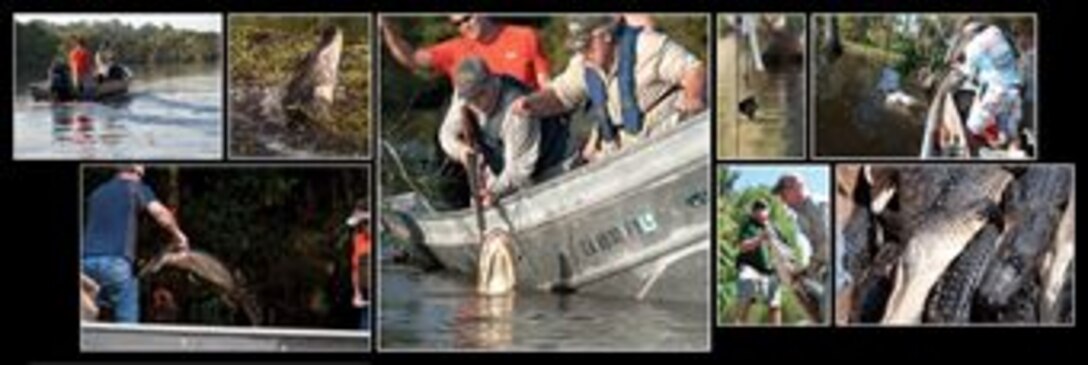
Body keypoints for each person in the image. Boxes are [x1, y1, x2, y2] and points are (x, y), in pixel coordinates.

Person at [513, 16, 706, 162]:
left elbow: (693, 70)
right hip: (622, 153)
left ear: (606, 35)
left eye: (587, 45)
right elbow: (560, 95)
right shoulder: (582, 65)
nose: (583, 53)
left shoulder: (648, 45)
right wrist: (531, 104)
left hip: (666, 137)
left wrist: (693, 98)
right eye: (578, 47)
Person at [441, 57, 571, 206]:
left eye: (481, 95)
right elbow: (446, 133)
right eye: (470, 99)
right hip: (507, 167)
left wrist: (494, 192)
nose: (476, 104)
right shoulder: (465, 97)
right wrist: (461, 151)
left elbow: (519, 171)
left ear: (491, 81)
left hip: (553, 165)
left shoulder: (516, 110)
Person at [82, 165, 189, 322]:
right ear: (137, 172)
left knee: (89, 317)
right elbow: (161, 214)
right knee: (127, 316)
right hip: (115, 263)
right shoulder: (135, 187)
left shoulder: (96, 192)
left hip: (84, 263)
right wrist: (179, 236)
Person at [946, 19, 1024, 153]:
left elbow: (969, 73)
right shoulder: (996, 31)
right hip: (1015, 90)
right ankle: (1018, 157)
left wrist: (958, 67)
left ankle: (977, 158)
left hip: (997, 92)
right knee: (1012, 137)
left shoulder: (973, 47)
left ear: (969, 33)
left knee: (969, 131)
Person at [772, 173, 831, 321]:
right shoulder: (800, 217)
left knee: (828, 308)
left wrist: (809, 269)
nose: (782, 199)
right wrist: (805, 272)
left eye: (783, 192)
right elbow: (817, 248)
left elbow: (828, 244)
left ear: (797, 187)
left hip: (844, 264)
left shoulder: (818, 205)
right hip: (826, 267)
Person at [733, 200, 782, 325]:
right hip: (750, 266)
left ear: (768, 211)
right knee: (746, 292)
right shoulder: (748, 225)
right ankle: (739, 324)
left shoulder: (774, 227)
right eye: (757, 209)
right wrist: (761, 238)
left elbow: (785, 248)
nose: (760, 211)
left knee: (774, 304)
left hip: (770, 269)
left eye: (763, 208)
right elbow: (742, 246)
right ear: (753, 212)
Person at [346, 199, 372, 330]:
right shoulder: (357, 237)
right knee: (363, 326)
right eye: (361, 224)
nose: (362, 226)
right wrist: (356, 293)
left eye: (365, 223)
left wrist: (366, 216)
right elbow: (355, 268)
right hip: (364, 292)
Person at [68, 36, 95, 100]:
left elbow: (71, 63)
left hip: (76, 73)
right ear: (84, 44)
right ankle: (86, 98)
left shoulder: (72, 52)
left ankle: (77, 97)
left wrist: (74, 72)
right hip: (84, 72)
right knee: (88, 88)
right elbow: (88, 63)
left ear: (77, 44)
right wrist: (91, 71)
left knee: (77, 87)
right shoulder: (85, 52)